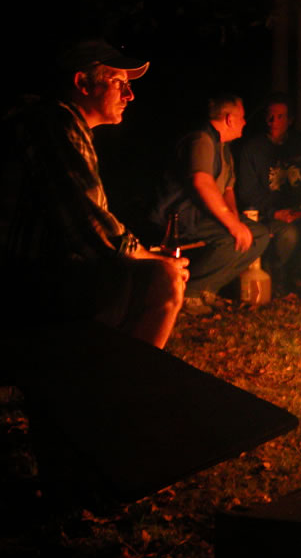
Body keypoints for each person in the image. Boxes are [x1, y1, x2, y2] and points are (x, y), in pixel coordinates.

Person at [0, 38, 189, 349]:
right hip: (23, 281)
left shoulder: (62, 125)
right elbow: (89, 225)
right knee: (163, 279)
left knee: (149, 274)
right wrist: (153, 259)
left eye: (129, 86)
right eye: (118, 83)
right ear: (82, 84)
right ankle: (127, 376)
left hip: (40, 275)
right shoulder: (53, 123)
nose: (129, 95)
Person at [157, 94, 270, 315]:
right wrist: (232, 226)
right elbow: (202, 182)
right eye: (242, 117)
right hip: (182, 216)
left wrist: (235, 219)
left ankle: (208, 289)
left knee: (259, 235)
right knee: (230, 237)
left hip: (205, 215)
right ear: (229, 119)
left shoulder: (224, 147)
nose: (245, 122)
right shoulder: (201, 139)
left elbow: (228, 189)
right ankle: (189, 292)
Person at [236, 94, 301, 294]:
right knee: (288, 234)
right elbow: (247, 193)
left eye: (280, 116)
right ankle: (277, 279)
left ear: (290, 120)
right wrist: (273, 213)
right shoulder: (252, 149)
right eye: (270, 116)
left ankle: (297, 273)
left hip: (299, 211)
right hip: (269, 214)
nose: (273, 121)